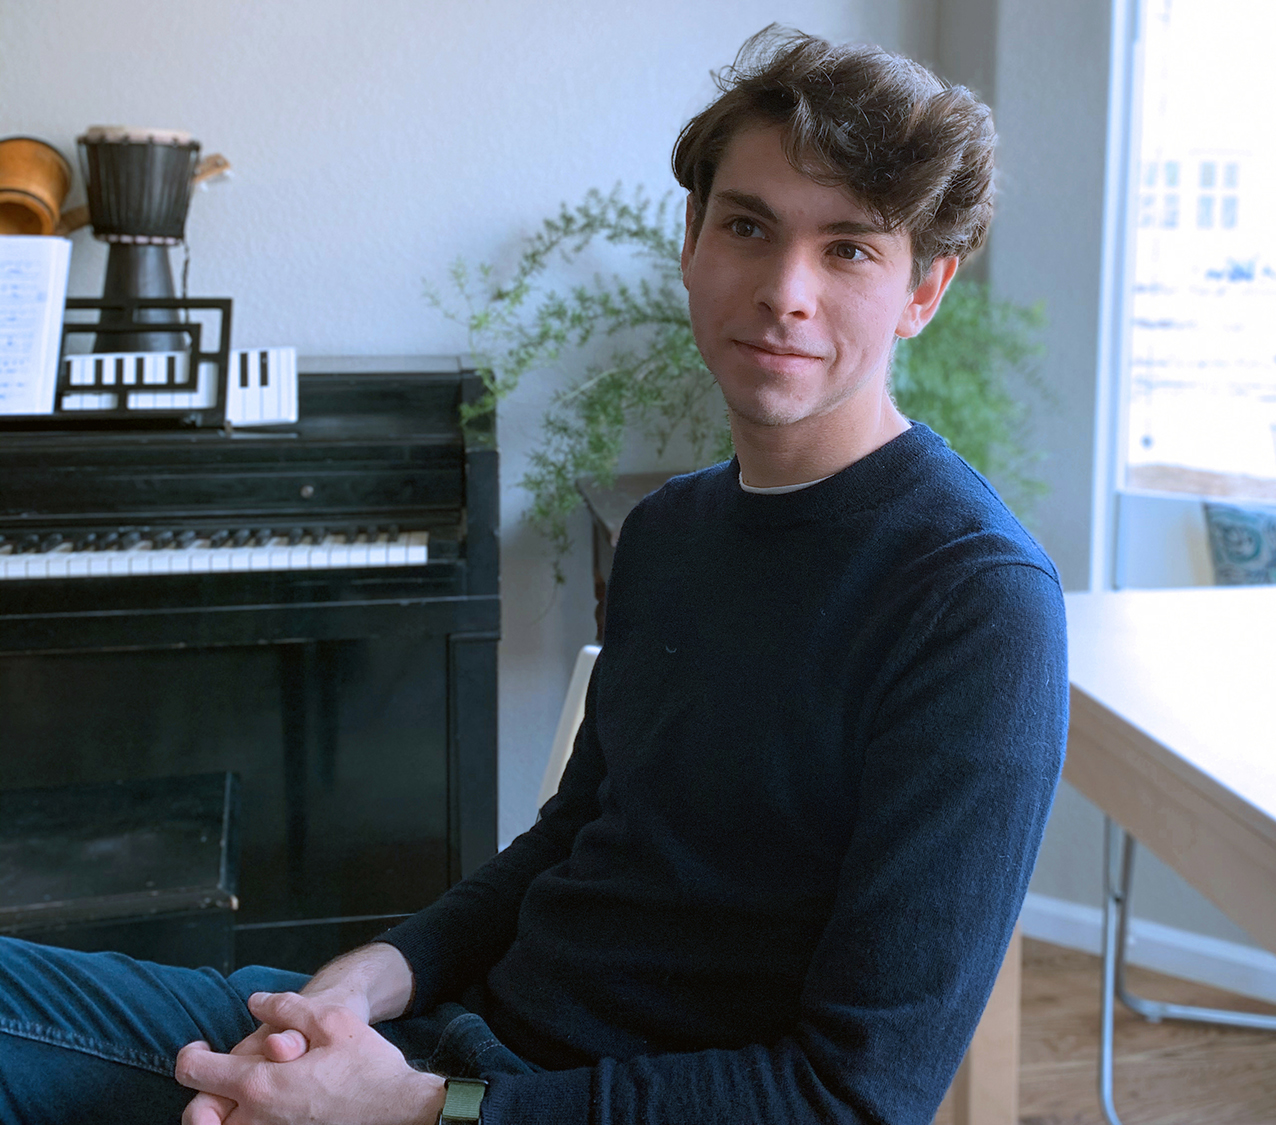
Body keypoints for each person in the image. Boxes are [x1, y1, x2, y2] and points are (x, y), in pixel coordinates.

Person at [0, 26, 1067, 1125]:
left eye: (848, 250)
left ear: (923, 291)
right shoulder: (672, 528)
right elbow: (575, 838)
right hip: (443, 1044)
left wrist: (420, 1109)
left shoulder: (976, 603)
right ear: (692, 238)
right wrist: (379, 972)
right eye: (749, 227)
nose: (784, 291)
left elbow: (853, 1098)